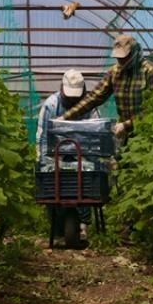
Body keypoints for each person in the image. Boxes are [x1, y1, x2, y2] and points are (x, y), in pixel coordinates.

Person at [55, 34, 153, 141]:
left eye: (124, 58)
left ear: (135, 52)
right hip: (124, 134)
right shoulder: (115, 72)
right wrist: (65, 117)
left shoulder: (151, 72)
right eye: (118, 58)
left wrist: (127, 124)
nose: (120, 61)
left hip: (148, 133)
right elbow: (94, 97)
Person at [36, 70, 99, 244]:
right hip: (56, 154)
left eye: (75, 97)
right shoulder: (51, 105)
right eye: (69, 96)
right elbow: (42, 134)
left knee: (86, 181)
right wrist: (43, 160)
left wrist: (94, 161)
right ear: (62, 90)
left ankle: (83, 224)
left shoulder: (90, 106)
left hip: (83, 154)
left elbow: (96, 134)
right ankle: (56, 226)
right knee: (52, 185)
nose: (72, 100)